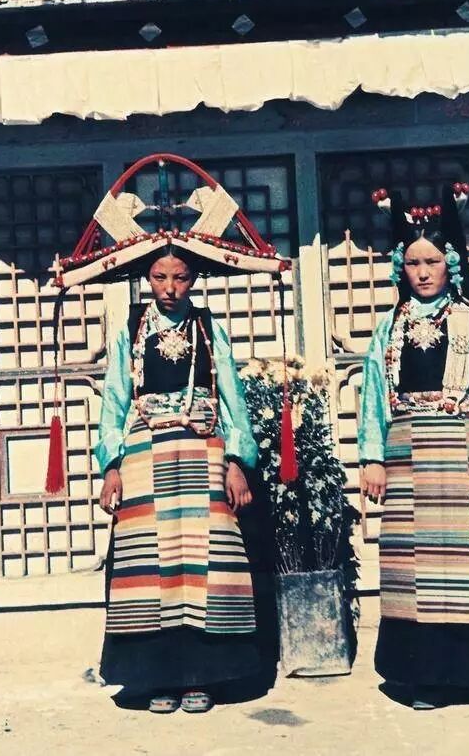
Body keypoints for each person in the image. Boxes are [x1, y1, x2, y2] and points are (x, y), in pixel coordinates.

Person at [359, 184, 469, 711]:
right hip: (409, 457)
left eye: (432, 261)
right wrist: (372, 458)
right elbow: (374, 396)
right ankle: (429, 678)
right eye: (413, 263)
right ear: (401, 267)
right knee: (421, 571)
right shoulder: (389, 328)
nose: (423, 272)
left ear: (450, 263)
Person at [96, 246, 261, 713]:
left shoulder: (208, 328)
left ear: (194, 278)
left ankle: (200, 677)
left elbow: (232, 398)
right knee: (151, 569)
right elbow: (114, 401)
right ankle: (157, 680)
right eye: (159, 277)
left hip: (202, 452)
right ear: (146, 277)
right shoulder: (130, 330)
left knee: (203, 566)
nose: (170, 288)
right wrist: (111, 466)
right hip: (144, 457)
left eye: (181, 277)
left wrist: (236, 461)